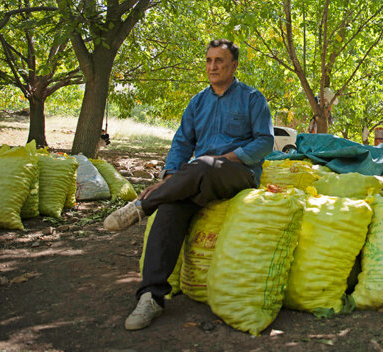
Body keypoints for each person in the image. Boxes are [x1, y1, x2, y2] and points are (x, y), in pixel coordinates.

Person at [103, 39, 274, 331]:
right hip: (198, 176)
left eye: (219, 61)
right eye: (208, 60)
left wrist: (229, 157)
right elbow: (182, 143)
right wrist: (170, 177)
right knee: (171, 205)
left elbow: (265, 141)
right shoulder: (197, 102)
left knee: (206, 164)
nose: (212, 67)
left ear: (234, 66)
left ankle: (143, 205)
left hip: (238, 174)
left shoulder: (252, 98)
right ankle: (150, 298)